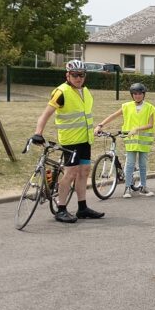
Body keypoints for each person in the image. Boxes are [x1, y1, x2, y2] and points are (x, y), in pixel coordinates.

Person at [31, 60, 105, 223]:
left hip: (85, 139)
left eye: (81, 75)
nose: (78, 78)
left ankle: (82, 207)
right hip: (70, 141)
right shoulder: (61, 92)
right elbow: (45, 114)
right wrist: (38, 133)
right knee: (70, 173)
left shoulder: (85, 91)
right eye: (75, 75)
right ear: (67, 75)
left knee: (84, 171)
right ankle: (61, 209)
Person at [95, 82, 155, 198]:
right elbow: (113, 116)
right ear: (132, 95)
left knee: (143, 164)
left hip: (144, 141)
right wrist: (100, 125)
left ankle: (143, 187)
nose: (137, 96)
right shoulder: (126, 106)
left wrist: (137, 129)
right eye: (135, 94)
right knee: (129, 164)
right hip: (131, 141)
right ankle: (127, 188)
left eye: (140, 94)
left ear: (144, 95)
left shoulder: (150, 108)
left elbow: (150, 124)